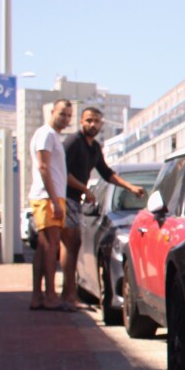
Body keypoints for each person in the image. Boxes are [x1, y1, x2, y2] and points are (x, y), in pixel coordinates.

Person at [61, 106, 146, 308]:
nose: (93, 124)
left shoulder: (94, 148)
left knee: (74, 245)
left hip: (76, 199)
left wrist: (130, 187)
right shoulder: (74, 142)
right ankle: (68, 295)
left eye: (97, 121)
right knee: (69, 245)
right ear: (81, 121)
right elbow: (61, 172)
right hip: (65, 198)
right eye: (89, 120)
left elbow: (107, 173)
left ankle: (69, 294)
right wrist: (85, 190)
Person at [29, 99, 75, 311]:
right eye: (62, 114)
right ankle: (50, 297)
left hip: (52, 197)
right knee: (51, 246)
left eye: (69, 115)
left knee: (43, 247)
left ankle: (38, 296)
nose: (65, 119)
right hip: (48, 198)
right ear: (52, 111)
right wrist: (55, 200)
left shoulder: (53, 136)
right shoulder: (46, 134)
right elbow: (43, 166)